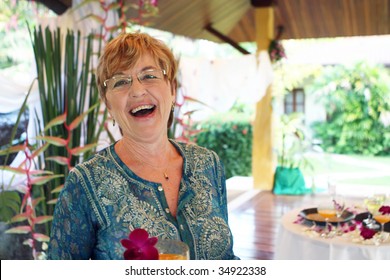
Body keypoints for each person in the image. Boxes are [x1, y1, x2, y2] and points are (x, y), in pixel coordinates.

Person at [47, 31, 239, 260]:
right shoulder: (85, 183)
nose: (137, 90)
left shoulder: (208, 164)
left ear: (172, 88)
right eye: (120, 82)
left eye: (149, 76)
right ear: (109, 105)